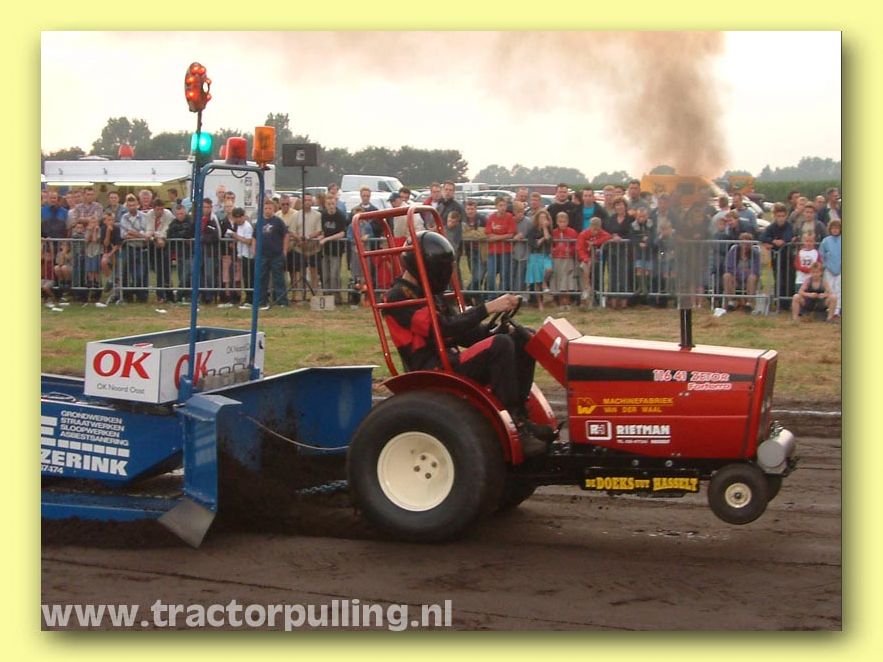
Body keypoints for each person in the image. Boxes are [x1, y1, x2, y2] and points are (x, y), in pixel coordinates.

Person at [382, 231, 550, 456]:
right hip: (431, 368)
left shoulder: (430, 294)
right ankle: (514, 426)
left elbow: (466, 333)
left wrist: (502, 328)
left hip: (448, 358)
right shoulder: (398, 298)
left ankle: (520, 416)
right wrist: (487, 308)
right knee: (500, 345)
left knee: (521, 338)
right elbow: (443, 328)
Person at [761, 203, 796, 309]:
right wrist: (773, 241)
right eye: (778, 216)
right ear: (775, 216)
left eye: (783, 216)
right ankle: (779, 302)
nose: (781, 218)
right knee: (778, 278)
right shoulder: (771, 227)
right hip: (776, 258)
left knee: (789, 279)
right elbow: (762, 237)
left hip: (788, 257)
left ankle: (788, 302)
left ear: (786, 216)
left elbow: (789, 236)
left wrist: (781, 241)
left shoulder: (789, 226)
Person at [258, 199, 289, 309]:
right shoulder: (259, 222)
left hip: (276, 255)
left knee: (278, 279)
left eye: (270, 208)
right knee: (262, 279)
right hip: (263, 255)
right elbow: (254, 237)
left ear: (274, 209)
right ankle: (262, 301)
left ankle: (282, 301)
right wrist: (255, 251)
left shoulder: (278, 221)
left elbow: (286, 235)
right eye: (265, 208)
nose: (267, 210)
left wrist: (284, 251)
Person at [119, 193, 150, 303]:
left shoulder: (144, 217)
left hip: (141, 249)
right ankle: (128, 296)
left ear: (137, 205)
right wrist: (138, 234)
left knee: (140, 274)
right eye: (129, 205)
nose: (131, 207)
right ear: (127, 206)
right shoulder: (124, 217)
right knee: (126, 273)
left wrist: (133, 233)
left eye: (133, 205)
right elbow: (123, 235)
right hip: (129, 248)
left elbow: (146, 235)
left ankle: (142, 296)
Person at [602, 196, 632, 309]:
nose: (619, 207)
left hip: (625, 251)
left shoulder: (630, 219)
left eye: (621, 204)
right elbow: (606, 231)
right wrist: (612, 236)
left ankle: (624, 300)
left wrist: (622, 238)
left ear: (625, 206)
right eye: (617, 205)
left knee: (624, 275)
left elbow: (632, 233)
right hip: (612, 250)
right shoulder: (611, 219)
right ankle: (613, 299)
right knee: (612, 275)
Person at [484, 196, 516, 295]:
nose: (502, 208)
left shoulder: (509, 217)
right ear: (496, 206)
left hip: (506, 251)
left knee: (504, 274)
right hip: (493, 251)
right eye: (500, 205)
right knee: (491, 274)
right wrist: (503, 236)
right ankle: (492, 296)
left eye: (504, 205)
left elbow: (510, 234)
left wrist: (496, 237)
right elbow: (488, 234)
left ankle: (503, 295)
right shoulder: (491, 217)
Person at [576, 216, 611, 306]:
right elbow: (579, 248)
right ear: (590, 226)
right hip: (585, 260)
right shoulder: (583, 234)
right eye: (593, 229)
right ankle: (585, 295)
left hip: (596, 260)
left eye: (597, 229)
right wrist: (586, 259)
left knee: (598, 279)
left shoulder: (602, 233)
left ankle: (597, 299)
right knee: (585, 275)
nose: (595, 231)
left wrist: (595, 242)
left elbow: (608, 236)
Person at [319, 194, 348, 301]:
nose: (331, 206)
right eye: (329, 204)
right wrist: (322, 236)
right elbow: (323, 230)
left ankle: (336, 297)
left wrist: (327, 239)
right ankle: (326, 296)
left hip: (336, 250)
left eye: (332, 204)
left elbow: (342, 233)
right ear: (325, 204)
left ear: (335, 204)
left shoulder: (340, 215)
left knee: (334, 275)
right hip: (325, 250)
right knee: (325, 274)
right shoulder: (323, 215)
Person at [723, 232, 761, 312]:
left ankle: (749, 303)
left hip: (749, 279)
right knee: (726, 276)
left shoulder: (755, 253)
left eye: (748, 244)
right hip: (735, 278)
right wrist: (739, 273)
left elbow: (756, 269)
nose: (745, 246)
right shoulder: (733, 251)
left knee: (752, 277)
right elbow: (728, 266)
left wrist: (745, 274)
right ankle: (731, 302)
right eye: (743, 243)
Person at [526, 209, 554, 310]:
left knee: (549, 269)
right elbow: (534, 244)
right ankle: (540, 303)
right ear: (537, 219)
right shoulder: (532, 230)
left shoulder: (548, 230)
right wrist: (542, 239)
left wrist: (545, 228)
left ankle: (544, 283)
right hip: (535, 256)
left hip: (545, 255)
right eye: (541, 218)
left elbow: (549, 240)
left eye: (545, 218)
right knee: (537, 281)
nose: (543, 220)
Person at [166, 204, 194, 304]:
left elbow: (190, 233)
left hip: (190, 252)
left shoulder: (190, 221)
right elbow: (170, 235)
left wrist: (181, 235)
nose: (180, 216)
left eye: (182, 213)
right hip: (180, 253)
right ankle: (183, 295)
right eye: (178, 214)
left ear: (185, 212)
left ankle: (181, 295)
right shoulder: (173, 223)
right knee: (182, 275)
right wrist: (182, 235)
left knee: (187, 274)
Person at [227, 207, 253, 307]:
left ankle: (250, 299)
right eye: (236, 217)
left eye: (240, 217)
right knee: (245, 279)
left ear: (243, 216)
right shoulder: (238, 226)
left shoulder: (247, 227)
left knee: (249, 279)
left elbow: (249, 241)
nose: (238, 219)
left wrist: (235, 236)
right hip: (242, 255)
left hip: (248, 256)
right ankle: (247, 298)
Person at [461, 200, 487, 302]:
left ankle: (466, 294)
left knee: (479, 275)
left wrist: (469, 233)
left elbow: (483, 234)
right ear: (465, 209)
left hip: (482, 251)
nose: (470, 211)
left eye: (472, 209)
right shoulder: (463, 220)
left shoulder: (482, 219)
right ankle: (477, 299)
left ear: (476, 209)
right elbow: (463, 235)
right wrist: (474, 233)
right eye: (468, 209)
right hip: (470, 251)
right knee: (476, 275)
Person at [551, 211, 578, 307]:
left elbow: (576, 245)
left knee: (567, 280)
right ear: (557, 222)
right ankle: (560, 301)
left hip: (568, 259)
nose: (562, 224)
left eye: (564, 221)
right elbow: (551, 245)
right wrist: (554, 250)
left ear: (567, 222)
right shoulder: (554, 232)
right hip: (557, 259)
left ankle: (567, 301)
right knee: (558, 279)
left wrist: (570, 250)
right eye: (560, 222)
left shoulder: (572, 232)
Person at [819, 219, 841, 318]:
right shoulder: (826, 241)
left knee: (839, 289)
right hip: (828, 269)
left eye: (837, 228)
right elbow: (821, 254)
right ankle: (829, 309)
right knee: (829, 288)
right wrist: (824, 265)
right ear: (830, 229)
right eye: (833, 228)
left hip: (840, 269)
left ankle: (837, 310)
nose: (835, 230)